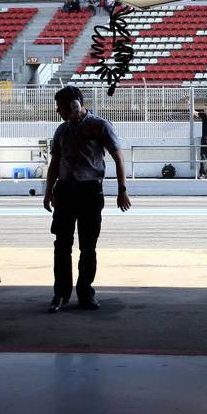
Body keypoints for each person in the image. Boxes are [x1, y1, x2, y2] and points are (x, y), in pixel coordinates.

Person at [43, 86, 131, 312]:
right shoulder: (61, 131)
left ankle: (85, 293)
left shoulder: (99, 126)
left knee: (87, 246)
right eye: (59, 108)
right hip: (64, 191)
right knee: (61, 245)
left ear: (76, 105)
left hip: (89, 191)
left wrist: (122, 189)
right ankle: (60, 294)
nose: (60, 112)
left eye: (63, 108)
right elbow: (54, 163)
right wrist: (48, 191)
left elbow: (118, 157)